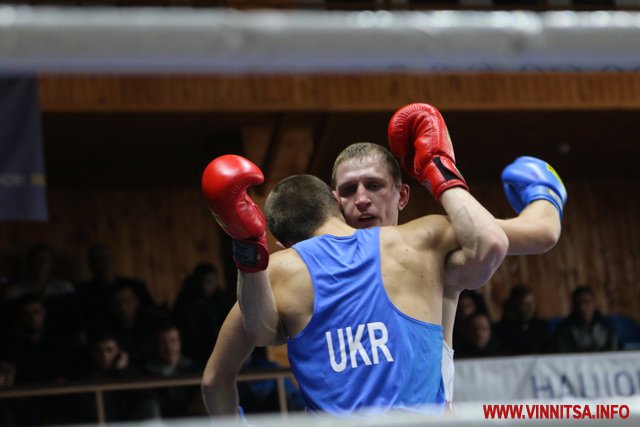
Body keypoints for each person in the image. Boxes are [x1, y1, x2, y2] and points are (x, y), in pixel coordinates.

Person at [201, 103, 566, 414]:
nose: (361, 199)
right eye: (348, 190)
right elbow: (244, 345)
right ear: (334, 202)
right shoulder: (292, 269)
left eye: (373, 186)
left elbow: (533, 235)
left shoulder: (426, 245)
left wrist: (542, 195)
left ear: (402, 195)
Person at [551, 286, 618, 353]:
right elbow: (564, 354)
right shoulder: (564, 328)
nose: (582, 307)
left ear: (594, 303)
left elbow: (612, 350)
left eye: (586, 302)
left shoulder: (606, 325)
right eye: (578, 303)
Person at [494, 284, 551, 354]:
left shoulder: (541, 326)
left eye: (531, 303)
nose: (530, 308)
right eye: (525, 304)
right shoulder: (503, 329)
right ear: (515, 305)